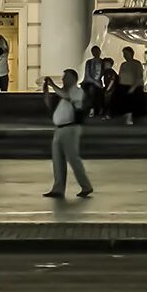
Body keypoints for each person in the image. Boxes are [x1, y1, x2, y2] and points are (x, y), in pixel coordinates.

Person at [43, 67, 93, 199]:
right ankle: (58, 188)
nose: (63, 79)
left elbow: (68, 98)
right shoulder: (62, 93)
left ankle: (86, 186)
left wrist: (53, 85)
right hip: (59, 129)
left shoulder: (77, 91)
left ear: (73, 79)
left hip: (71, 128)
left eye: (66, 77)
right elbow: (50, 105)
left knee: (73, 158)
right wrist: (47, 92)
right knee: (57, 160)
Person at [114, 46, 146, 124]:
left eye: (126, 53)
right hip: (123, 85)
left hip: (134, 85)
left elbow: (139, 77)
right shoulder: (123, 64)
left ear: (131, 54)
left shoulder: (137, 64)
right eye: (124, 54)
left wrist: (133, 87)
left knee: (131, 95)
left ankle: (130, 115)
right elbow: (120, 76)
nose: (125, 55)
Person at [84, 46, 109, 116]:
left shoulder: (102, 62)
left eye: (97, 51)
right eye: (93, 51)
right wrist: (95, 82)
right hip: (89, 82)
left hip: (99, 82)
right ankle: (91, 109)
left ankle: (101, 109)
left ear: (100, 52)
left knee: (101, 92)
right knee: (91, 90)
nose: (95, 53)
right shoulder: (89, 62)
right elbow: (87, 75)